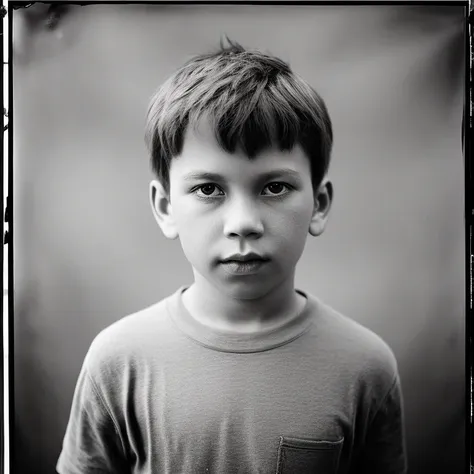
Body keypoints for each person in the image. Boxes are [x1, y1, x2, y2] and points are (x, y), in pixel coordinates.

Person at [56, 39, 407, 474]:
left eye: (274, 187)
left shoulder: (366, 366)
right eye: (209, 189)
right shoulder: (117, 361)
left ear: (318, 204)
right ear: (166, 208)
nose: (243, 222)